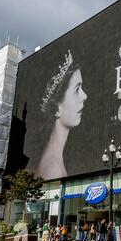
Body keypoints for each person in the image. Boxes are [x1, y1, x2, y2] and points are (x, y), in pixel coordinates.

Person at [37, 50, 88, 180]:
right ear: (56, 109)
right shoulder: (53, 170)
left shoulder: (54, 161)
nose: (85, 96)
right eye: (77, 89)